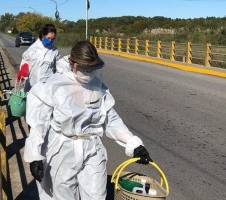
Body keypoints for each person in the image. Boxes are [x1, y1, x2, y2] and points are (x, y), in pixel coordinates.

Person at [23, 41, 152, 200]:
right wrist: (35, 156)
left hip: (92, 149)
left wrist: (133, 143)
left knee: (96, 195)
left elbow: (110, 120)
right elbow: (38, 125)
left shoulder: (97, 87)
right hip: (62, 152)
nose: (88, 73)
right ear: (72, 63)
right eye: (84, 68)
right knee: (63, 195)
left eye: (92, 69)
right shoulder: (53, 87)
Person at [18, 24, 61, 92]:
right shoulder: (33, 48)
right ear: (43, 35)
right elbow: (24, 62)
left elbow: (58, 68)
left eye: (52, 39)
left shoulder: (55, 51)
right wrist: (23, 75)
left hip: (46, 86)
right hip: (31, 85)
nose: (50, 41)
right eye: (48, 38)